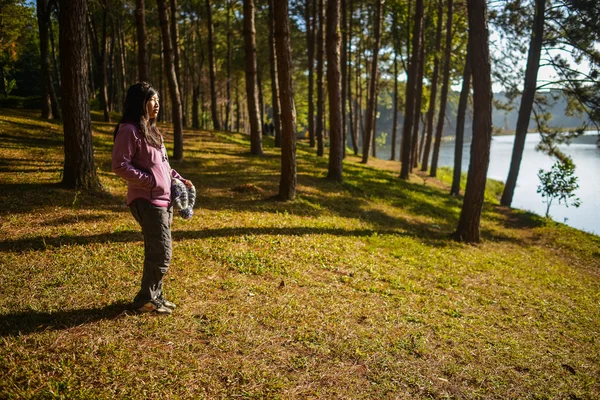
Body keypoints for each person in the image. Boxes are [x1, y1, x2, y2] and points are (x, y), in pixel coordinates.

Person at [112, 82, 192, 315]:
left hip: (164, 200)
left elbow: (163, 165)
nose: (156, 104)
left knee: (158, 251)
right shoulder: (129, 130)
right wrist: (150, 181)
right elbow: (119, 165)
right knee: (161, 252)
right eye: (151, 99)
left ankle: (154, 297)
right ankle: (145, 299)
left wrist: (178, 178)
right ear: (140, 102)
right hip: (147, 200)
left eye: (157, 99)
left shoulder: (152, 130)